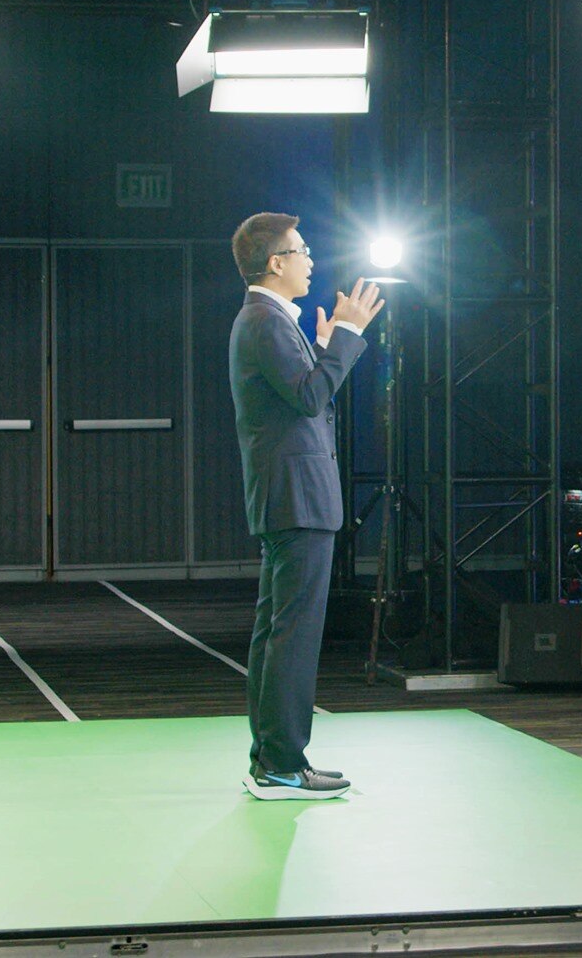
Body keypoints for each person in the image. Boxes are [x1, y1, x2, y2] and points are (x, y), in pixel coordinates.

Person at [230, 213, 380, 800]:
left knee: (277, 630)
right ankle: (283, 765)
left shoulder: (270, 322)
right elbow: (311, 397)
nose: (309, 259)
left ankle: (273, 758)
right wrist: (345, 336)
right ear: (276, 263)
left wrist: (320, 343)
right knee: (292, 633)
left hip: (287, 497)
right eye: (301, 250)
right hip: (297, 499)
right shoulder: (265, 321)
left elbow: (297, 393)